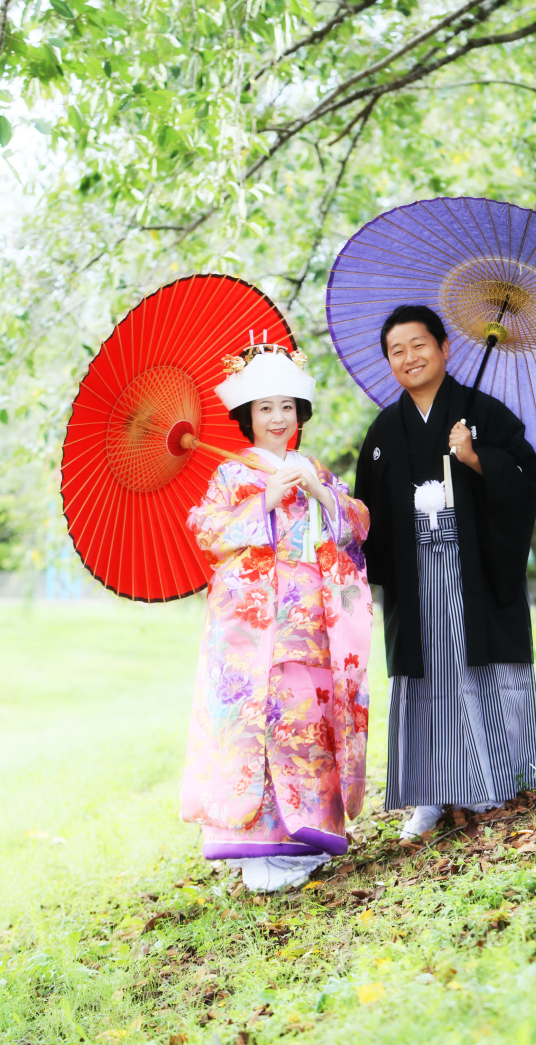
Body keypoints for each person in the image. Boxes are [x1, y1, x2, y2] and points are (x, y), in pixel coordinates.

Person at [181, 341, 372, 891]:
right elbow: (207, 531)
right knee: (261, 728)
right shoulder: (231, 475)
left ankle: (309, 838)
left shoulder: (315, 470)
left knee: (308, 724)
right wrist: (261, 502)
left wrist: (321, 494)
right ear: (248, 417)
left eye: (287, 406)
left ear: (300, 414)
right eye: (265, 408)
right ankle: (261, 849)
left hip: (314, 622)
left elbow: (358, 526)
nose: (277, 418)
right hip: (257, 627)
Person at [354, 305, 536, 839]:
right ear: (390, 363)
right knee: (429, 676)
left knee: (476, 668)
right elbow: (367, 511)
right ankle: (430, 796)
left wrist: (477, 457)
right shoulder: (386, 428)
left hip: (474, 570)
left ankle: (495, 781)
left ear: (445, 349)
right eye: (397, 351)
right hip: (416, 578)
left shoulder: (484, 412)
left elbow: (526, 478)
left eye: (419, 345)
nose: (409, 357)